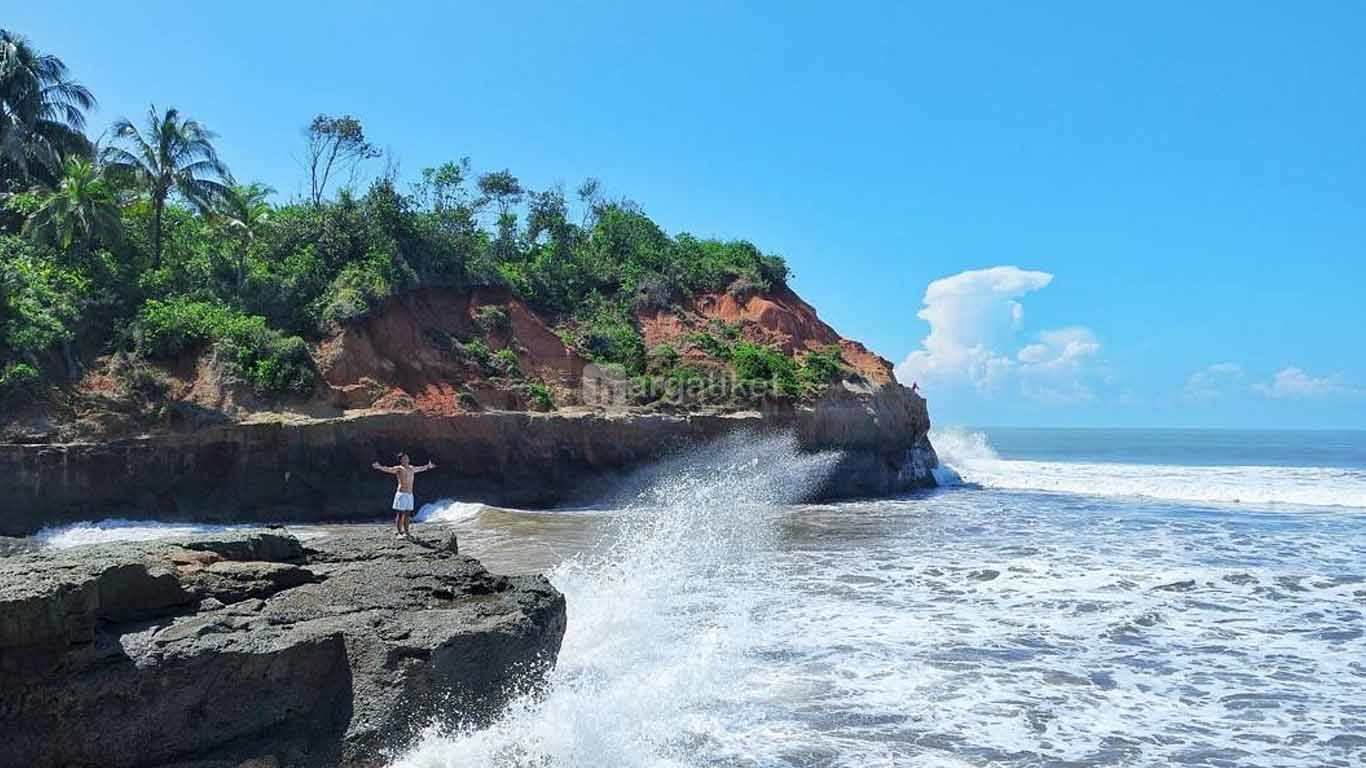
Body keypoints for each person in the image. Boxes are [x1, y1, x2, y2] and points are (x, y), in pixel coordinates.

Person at [371, 453, 436, 538]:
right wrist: (379, 467)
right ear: (401, 460)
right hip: (401, 494)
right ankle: (400, 532)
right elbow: (389, 469)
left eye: (407, 458)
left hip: (409, 494)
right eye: (404, 458)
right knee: (400, 514)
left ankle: (407, 532)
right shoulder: (399, 468)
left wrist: (428, 466)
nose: (406, 459)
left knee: (408, 514)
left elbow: (420, 468)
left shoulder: (411, 468)